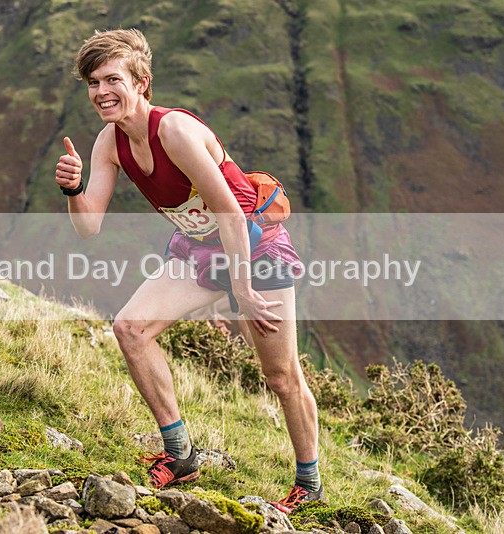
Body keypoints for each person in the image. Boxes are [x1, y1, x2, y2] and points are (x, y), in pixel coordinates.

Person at [55, 28, 323, 512]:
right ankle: (179, 453)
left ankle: (310, 482)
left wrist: (239, 289)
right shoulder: (109, 143)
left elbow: (230, 214)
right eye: (92, 83)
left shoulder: (174, 131)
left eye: (111, 79)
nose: (100, 92)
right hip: (200, 251)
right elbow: (89, 226)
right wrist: (74, 190)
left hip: (254, 247)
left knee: (281, 375)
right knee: (131, 328)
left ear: (141, 82)